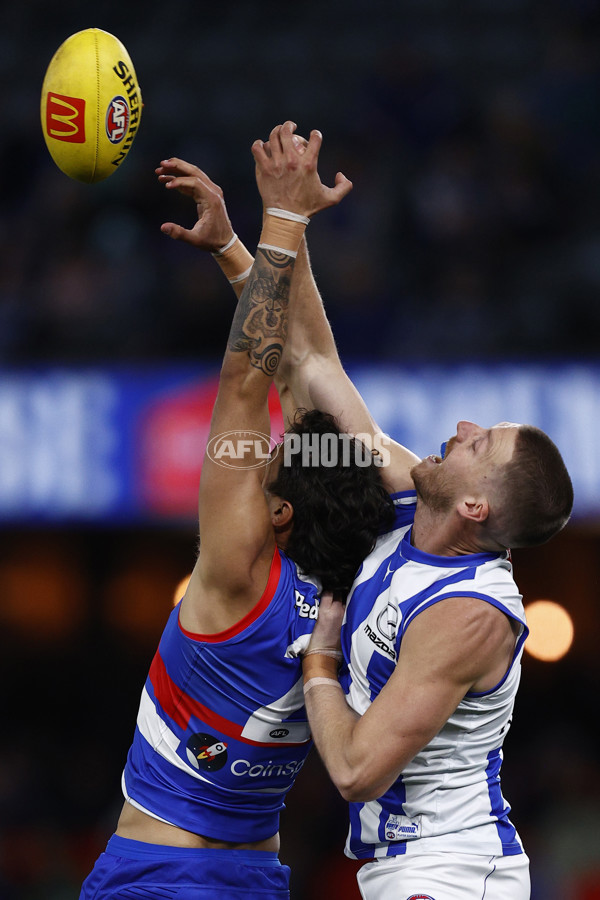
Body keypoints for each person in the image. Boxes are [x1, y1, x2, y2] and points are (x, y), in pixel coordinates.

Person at [167, 128, 574, 900]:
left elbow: (355, 770)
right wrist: (271, 230)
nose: (457, 428)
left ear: (477, 504)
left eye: (476, 442)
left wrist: (320, 659)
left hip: (453, 872)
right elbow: (313, 363)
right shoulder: (407, 497)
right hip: (402, 869)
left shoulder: (471, 615)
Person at [79, 122, 395, 900]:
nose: (265, 458)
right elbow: (302, 372)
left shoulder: (236, 569)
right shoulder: (354, 578)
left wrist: (282, 219)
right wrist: (232, 252)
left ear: (278, 513)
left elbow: (246, 381)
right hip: (257, 875)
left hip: (158, 874)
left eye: (270, 469)